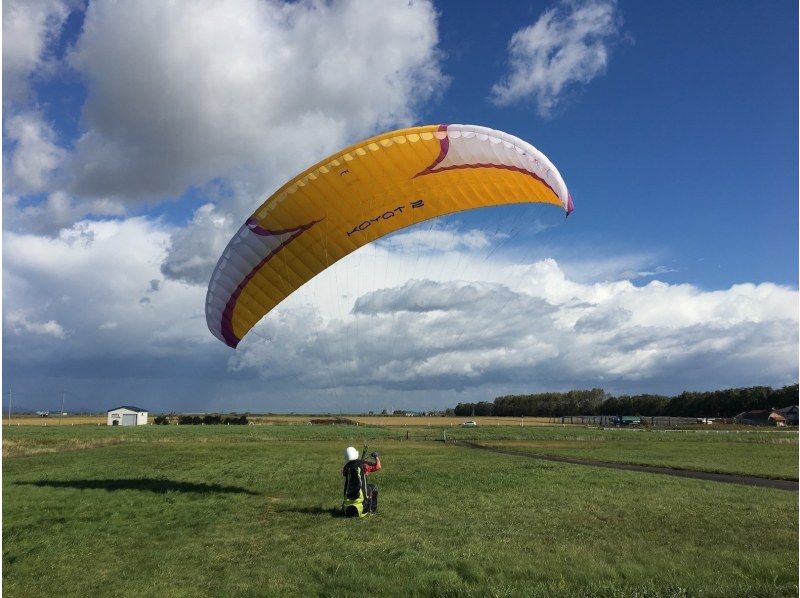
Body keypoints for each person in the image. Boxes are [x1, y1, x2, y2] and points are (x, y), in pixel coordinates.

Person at [341, 446, 381, 517]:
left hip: (346, 510)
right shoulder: (363, 465)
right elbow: (378, 467)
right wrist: (376, 456)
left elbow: (346, 474)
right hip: (362, 509)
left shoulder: (346, 467)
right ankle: (372, 511)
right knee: (373, 488)